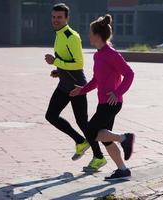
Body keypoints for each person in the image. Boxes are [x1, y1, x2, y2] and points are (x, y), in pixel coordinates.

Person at [70, 14, 135, 180]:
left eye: (90, 32)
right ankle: (122, 170)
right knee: (105, 138)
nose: (88, 35)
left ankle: (125, 138)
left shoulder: (111, 54)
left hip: (112, 103)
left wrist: (118, 92)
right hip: (103, 103)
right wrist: (82, 90)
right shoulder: (98, 54)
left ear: (97, 35)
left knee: (91, 132)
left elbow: (129, 74)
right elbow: (96, 80)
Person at [44, 3, 107, 171]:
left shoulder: (71, 36)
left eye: (59, 17)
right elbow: (67, 60)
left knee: (82, 122)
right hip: (64, 84)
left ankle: (99, 157)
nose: (55, 20)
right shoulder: (58, 34)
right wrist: (58, 71)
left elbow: (79, 63)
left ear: (67, 18)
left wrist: (56, 62)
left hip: (77, 86)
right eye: (54, 17)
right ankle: (80, 141)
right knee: (51, 115)